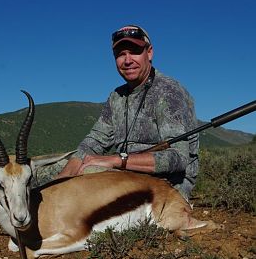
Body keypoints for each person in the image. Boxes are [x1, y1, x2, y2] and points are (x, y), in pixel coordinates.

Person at [55, 25, 199, 200]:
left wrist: (117, 160)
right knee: (40, 172)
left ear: (150, 53)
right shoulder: (117, 96)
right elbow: (94, 140)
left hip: (168, 186)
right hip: (127, 174)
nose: (127, 60)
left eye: (135, 51)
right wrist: (63, 176)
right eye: (121, 54)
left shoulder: (168, 92)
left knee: (89, 172)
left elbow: (178, 158)